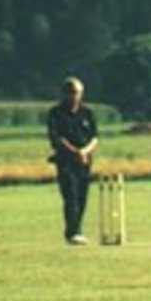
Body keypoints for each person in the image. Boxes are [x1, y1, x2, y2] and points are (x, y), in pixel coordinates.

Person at [47, 76, 100, 245]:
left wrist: (85, 152)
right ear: (63, 94)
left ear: (81, 93)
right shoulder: (55, 113)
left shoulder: (87, 113)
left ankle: (78, 229)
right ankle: (72, 232)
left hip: (85, 160)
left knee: (82, 196)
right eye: (69, 93)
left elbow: (95, 137)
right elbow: (57, 138)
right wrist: (75, 152)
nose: (73, 96)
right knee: (71, 195)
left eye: (76, 93)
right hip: (65, 160)